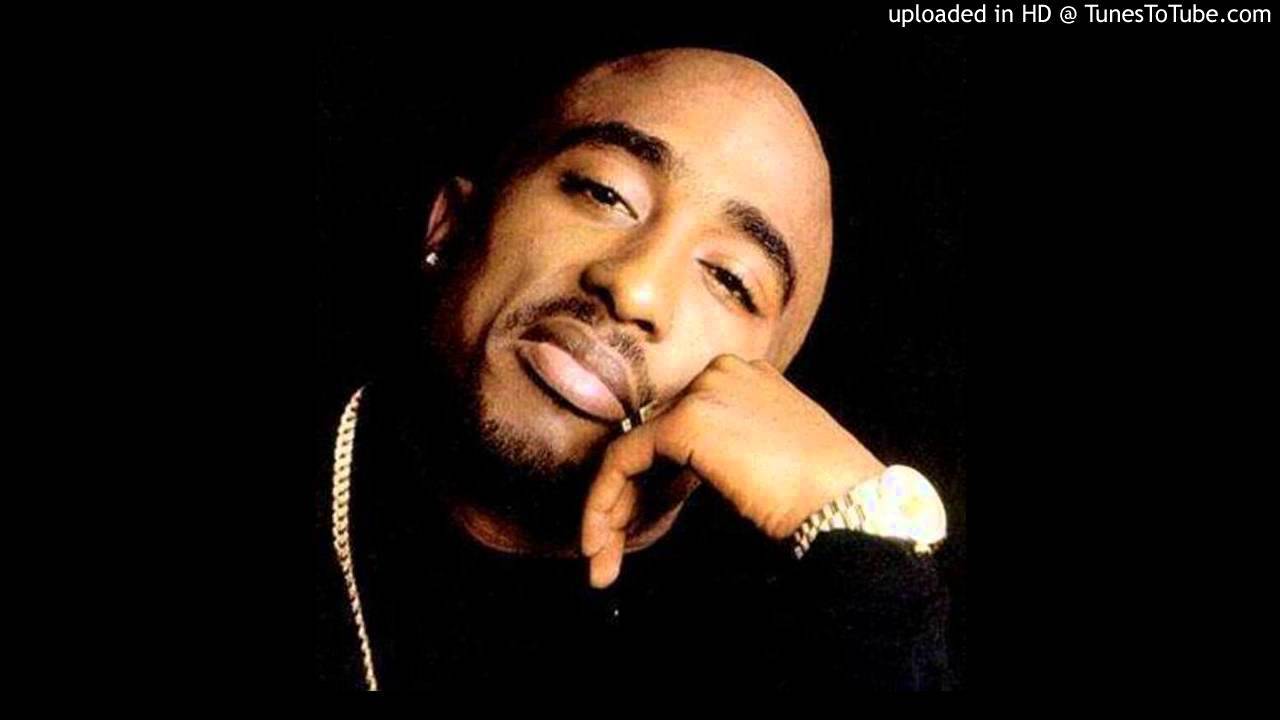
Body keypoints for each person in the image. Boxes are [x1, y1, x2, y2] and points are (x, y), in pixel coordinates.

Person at [316, 46, 954, 692]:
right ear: (450, 223)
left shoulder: (788, 654)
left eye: (729, 279)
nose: (635, 289)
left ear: (760, 398)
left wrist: (866, 540)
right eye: (605, 193)